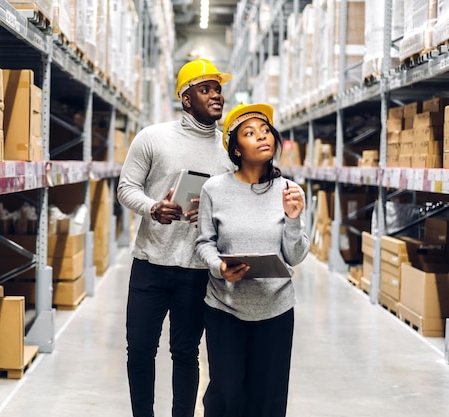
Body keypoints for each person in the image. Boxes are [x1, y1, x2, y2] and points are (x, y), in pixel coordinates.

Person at [116, 58, 235, 417]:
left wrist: (214, 215)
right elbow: (126, 188)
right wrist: (153, 208)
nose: (216, 96)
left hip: (196, 270)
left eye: (218, 89)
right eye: (206, 89)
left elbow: (235, 204)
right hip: (151, 264)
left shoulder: (229, 152)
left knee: (185, 353)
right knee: (139, 349)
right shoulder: (153, 138)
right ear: (186, 99)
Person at [195, 102, 310, 417]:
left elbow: (296, 256)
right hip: (225, 309)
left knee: (267, 400)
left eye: (265, 131)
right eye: (249, 133)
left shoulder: (289, 191)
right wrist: (219, 268)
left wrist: (294, 219)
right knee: (226, 394)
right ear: (236, 150)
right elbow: (204, 242)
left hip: (275, 309)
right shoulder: (214, 189)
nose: (262, 137)